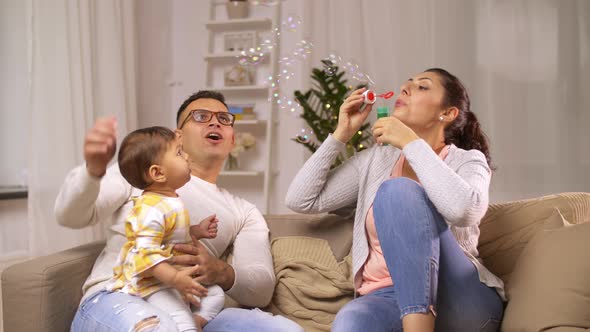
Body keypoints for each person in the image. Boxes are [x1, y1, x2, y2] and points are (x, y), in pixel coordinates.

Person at [55, 90, 303, 331]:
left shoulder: (244, 212)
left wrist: (219, 270)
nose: (215, 122)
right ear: (178, 136)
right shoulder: (141, 173)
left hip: (187, 310)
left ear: (232, 140)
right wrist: (93, 171)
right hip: (118, 296)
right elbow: (72, 216)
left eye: (224, 119)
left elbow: (261, 291)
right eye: (201, 116)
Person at [285, 68, 505, 332]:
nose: (406, 87)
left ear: (447, 113)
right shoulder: (376, 161)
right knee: (351, 323)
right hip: (387, 297)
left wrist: (411, 144)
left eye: (422, 86)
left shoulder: (467, 160)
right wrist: (341, 133)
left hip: (458, 298)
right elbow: (300, 199)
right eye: (408, 82)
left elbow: (464, 210)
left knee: (397, 191)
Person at [106, 126, 224, 332]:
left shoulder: (169, 199)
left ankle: (197, 322)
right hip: (155, 285)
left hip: (176, 280)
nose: (186, 156)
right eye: (179, 153)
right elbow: (145, 255)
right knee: (180, 319)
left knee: (216, 295)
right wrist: (176, 280)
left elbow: (173, 237)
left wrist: (196, 231)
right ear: (158, 173)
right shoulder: (150, 208)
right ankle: (187, 325)